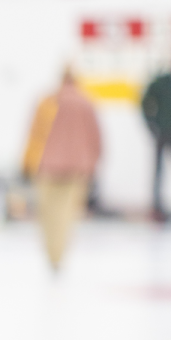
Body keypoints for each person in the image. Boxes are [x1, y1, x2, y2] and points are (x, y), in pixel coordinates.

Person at [23, 70, 102, 269]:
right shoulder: (86, 103)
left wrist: (27, 163)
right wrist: (93, 163)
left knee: (48, 214)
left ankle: (52, 254)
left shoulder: (48, 101)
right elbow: (96, 138)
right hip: (77, 168)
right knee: (67, 215)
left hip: (47, 166)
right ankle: (60, 254)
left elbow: (35, 133)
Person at [141, 48, 171, 220]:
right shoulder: (162, 82)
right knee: (159, 171)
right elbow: (145, 102)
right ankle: (157, 208)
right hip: (164, 133)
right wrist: (152, 125)